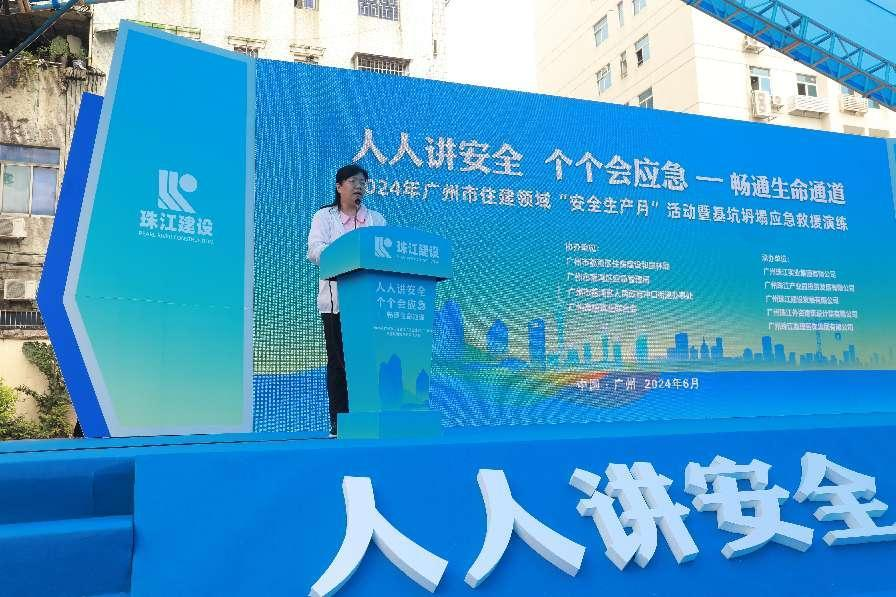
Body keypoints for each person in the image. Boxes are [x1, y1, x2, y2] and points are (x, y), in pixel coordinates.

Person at [307, 164, 386, 437]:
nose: (359, 186)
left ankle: (368, 418)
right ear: (339, 186)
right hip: (336, 302)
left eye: (363, 182)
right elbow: (315, 251)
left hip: (369, 305)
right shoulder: (324, 217)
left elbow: (384, 256)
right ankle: (340, 422)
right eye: (353, 181)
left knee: (369, 362)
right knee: (339, 363)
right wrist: (348, 252)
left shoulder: (376, 219)